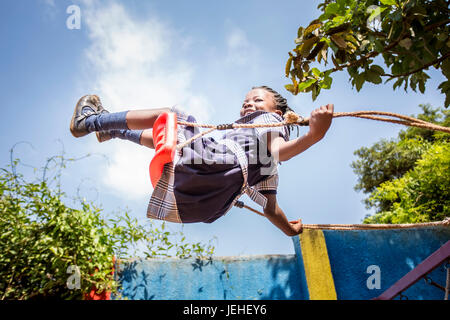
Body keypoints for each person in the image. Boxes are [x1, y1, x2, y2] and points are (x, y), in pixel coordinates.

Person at [70, 86, 333, 236]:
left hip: (208, 167)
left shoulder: (270, 122)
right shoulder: (263, 166)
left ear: (276, 112)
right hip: (205, 202)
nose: (248, 105)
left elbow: (279, 150)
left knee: (171, 116)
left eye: (257, 100)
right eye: (245, 102)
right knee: (172, 137)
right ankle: (112, 131)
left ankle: (91, 122)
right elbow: (270, 208)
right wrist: (289, 229)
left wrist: (314, 135)